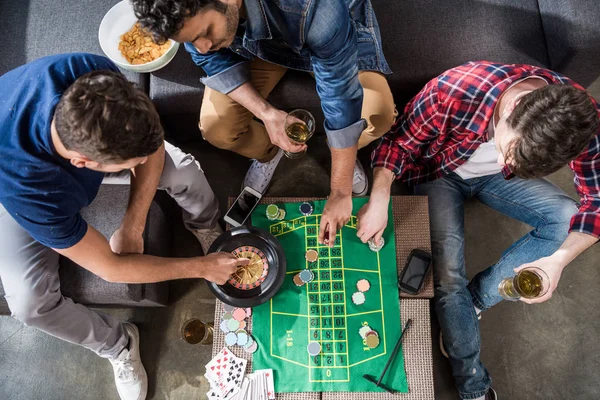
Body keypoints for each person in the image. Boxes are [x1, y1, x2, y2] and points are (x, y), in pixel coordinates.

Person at [0, 53, 249, 400]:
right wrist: (203, 268)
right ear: (84, 164)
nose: (145, 164)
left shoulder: (85, 75)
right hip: (13, 199)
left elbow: (154, 149)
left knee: (185, 171)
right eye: (135, 163)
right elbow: (111, 268)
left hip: (71, 166)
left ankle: (205, 226)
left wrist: (133, 224)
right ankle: (117, 344)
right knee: (29, 305)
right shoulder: (32, 191)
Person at [356, 61, 600, 400]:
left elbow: (596, 201)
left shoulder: (581, 121)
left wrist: (559, 259)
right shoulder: (454, 91)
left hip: (491, 184)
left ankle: (475, 299)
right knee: (448, 276)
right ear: (514, 107)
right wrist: (380, 197)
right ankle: (473, 386)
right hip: (438, 174)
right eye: (508, 151)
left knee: (567, 216)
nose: (505, 165)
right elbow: (398, 144)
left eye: (518, 166)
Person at [131, 0, 397, 246]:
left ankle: (341, 157)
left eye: (206, 32)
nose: (202, 45)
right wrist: (267, 113)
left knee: (378, 115)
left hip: (336, 35)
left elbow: (340, 94)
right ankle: (269, 154)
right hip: (260, 47)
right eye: (191, 40)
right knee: (217, 128)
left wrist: (340, 192)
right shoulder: (194, 15)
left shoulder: (317, 6)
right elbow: (208, 58)